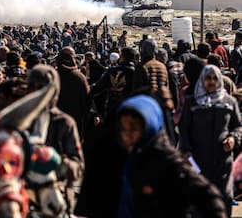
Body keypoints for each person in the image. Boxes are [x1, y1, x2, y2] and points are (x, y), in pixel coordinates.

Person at [75, 94, 227, 218]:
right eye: (123, 128)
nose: (128, 135)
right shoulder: (111, 155)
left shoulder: (166, 160)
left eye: (134, 128)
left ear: (149, 127)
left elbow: (210, 198)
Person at [179, 64, 242, 216]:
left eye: (215, 78)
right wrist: (186, 152)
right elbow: (184, 129)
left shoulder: (229, 102)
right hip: (198, 162)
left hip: (223, 163)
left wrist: (233, 139)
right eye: (208, 78)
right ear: (202, 80)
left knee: (224, 199)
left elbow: (238, 127)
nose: (212, 81)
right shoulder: (192, 103)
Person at [27, 64, 84, 214]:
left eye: (43, 87)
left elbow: (77, 167)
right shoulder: (22, 120)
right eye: (32, 86)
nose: (37, 91)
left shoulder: (64, 123)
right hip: (26, 201)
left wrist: (57, 162)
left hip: (57, 199)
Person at [56, 47, 91, 141]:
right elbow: (87, 102)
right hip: (75, 122)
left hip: (55, 122)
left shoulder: (52, 76)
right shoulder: (79, 77)